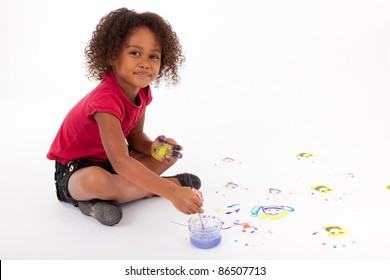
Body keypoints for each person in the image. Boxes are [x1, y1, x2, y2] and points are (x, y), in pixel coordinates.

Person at [47, 8, 203, 226]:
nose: (145, 62)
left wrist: (152, 148)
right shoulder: (105, 101)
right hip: (77, 171)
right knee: (97, 181)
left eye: (153, 56)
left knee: (171, 150)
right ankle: (154, 189)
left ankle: (105, 201)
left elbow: (135, 135)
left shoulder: (141, 91)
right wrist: (171, 192)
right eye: (135, 53)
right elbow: (121, 162)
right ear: (112, 55)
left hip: (112, 161)